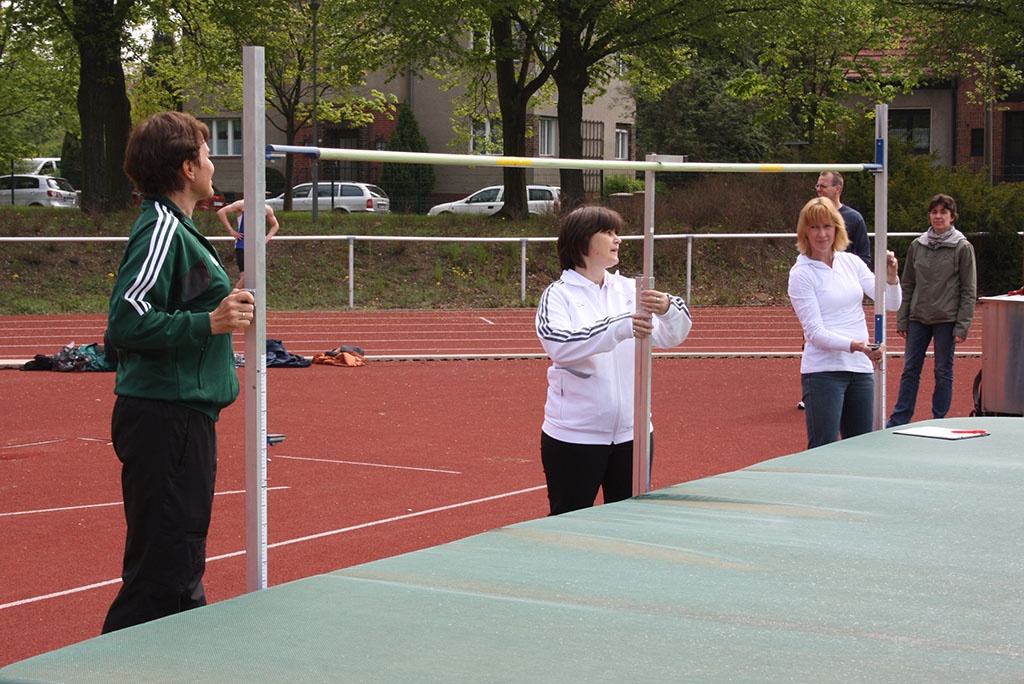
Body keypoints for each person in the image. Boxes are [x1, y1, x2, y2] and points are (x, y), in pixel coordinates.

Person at [102, 111, 255, 634]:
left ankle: (177, 655)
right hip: (165, 417)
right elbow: (126, 321)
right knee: (162, 573)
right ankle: (112, 665)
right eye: (207, 154)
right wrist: (208, 322)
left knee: (179, 564)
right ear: (188, 168)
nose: (213, 164)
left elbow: (191, 301)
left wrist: (241, 271)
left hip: (184, 414)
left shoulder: (181, 229)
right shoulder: (163, 230)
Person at [535, 205, 692, 515]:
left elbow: (670, 337)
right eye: (607, 232)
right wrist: (619, 327)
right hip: (575, 437)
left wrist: (668, 309)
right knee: (569, 523)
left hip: (634, 435)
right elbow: (560, 345)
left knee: (628, 523)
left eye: (617, 232)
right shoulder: (559, 295)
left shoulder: (630, 289)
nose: (617, 239)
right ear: (582, 240)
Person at [788, 197, 901, 449]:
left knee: (860, 449)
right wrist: (856, 345)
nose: (821, 234)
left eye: (827, 226)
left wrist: (892, 278)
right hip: (823, 372)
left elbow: (891, 303)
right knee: (824, 449)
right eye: (814, 227)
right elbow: (814, 332)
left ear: (837, 228)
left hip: (860, 370)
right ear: (805, 232)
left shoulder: (851, 262)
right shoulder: (801, 273)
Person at [886, 194, 977, 427]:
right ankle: (900, 418)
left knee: (943, 371)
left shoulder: (962, 247)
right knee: (910, 370)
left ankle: (939, 419)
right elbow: (908, 284)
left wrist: (962, 326)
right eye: (934, 212)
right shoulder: (918, 245)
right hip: (918, 318)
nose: (938, 216)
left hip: (947, 319)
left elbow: (968, 290)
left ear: (952, 217)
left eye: (943, 212)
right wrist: (903, 319)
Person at [217, 198, 279, 289]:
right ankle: (233, 295)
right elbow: (221, 212)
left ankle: (246, 296)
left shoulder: (266, 209)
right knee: (245, 278)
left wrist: (266, 238)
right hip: (242, 245)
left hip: (257, 246)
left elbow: (275, 225)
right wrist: (231, 231)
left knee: (255, 277)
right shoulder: (242, 204)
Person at [816, 171, 872, 268]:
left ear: (837, 189)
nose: (818, 189)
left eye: (823, 186)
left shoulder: (854, 218)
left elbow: (864, 256)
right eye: (817, 186)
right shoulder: (813, 216)